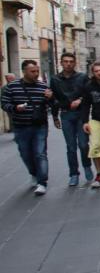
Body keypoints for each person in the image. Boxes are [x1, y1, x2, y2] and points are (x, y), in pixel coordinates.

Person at [0, 60, 55, 195]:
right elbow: (4, 103)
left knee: (40, 153)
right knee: (25, 153)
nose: (36, 74)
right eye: (33, 71)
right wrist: (15, 108)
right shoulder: (12, 87)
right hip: (21, 126)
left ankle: (42, 182)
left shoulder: (43, 86)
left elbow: (53, 104)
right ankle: (34, 174)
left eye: (37, 71)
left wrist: (51, 98)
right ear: (24, 71)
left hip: (40, 125)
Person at [50, 53, 93, 186]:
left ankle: (86, 166)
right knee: (71, 147)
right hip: (66, 115)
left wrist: (80, 100)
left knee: (83, 144)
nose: (68, 64)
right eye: (65, 61)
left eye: (71, 61)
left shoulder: (82, 77)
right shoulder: (55, 79)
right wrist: (55, 117)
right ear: (61, 63)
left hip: (81, 114)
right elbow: (54, 99)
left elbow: (89, 94)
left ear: (74, 63)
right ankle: (74, 174)